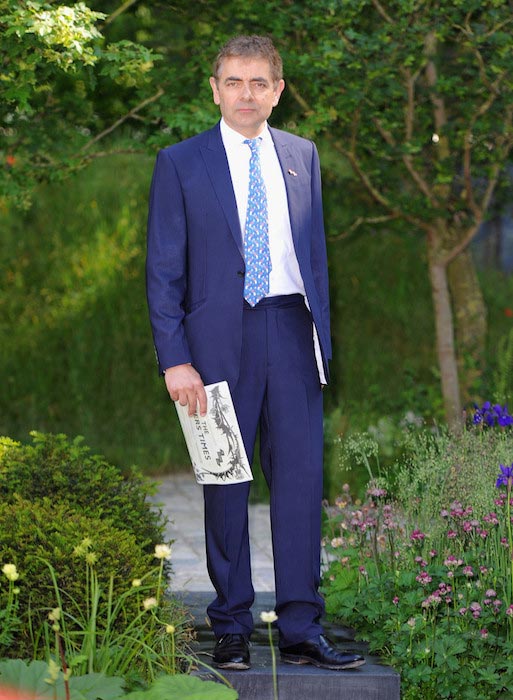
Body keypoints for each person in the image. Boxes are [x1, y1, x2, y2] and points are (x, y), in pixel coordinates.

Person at [146, 35, 365, 672]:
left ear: (278, 90)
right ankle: (233, 625)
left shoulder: (303, 155)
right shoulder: (181, 162)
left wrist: (322, 344)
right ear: (215, 89)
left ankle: (300, 626)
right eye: (234, 82)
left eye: (259, 82)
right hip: (213, 345)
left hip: (291, 334)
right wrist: (174, 358)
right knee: (225, 481)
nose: (246, 94)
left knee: (299, 484)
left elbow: (314, 261)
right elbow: (163, 272)